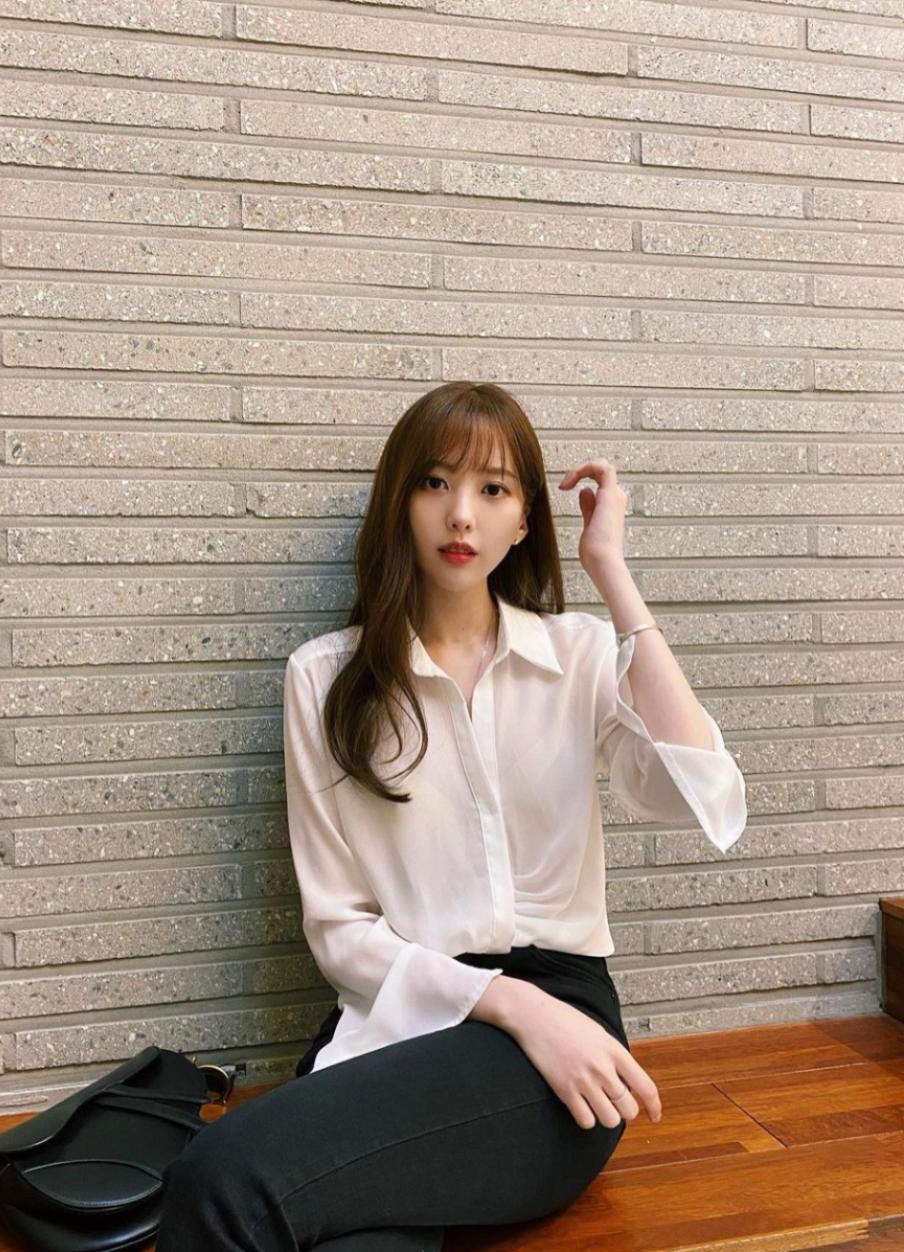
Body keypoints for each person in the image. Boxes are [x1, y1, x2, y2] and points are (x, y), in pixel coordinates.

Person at [156, 381, 748, 1252]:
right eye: (435, 482)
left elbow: (702, 791)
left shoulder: (578, 653)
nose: (461, 514)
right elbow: (339, 930)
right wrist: (506, 1003)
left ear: (524, 520)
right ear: (399, 502)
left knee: (219, 1180)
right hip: (397, 1017)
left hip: (560, 1048)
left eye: (493, 489)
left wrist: (611, 572)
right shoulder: (324, 678)